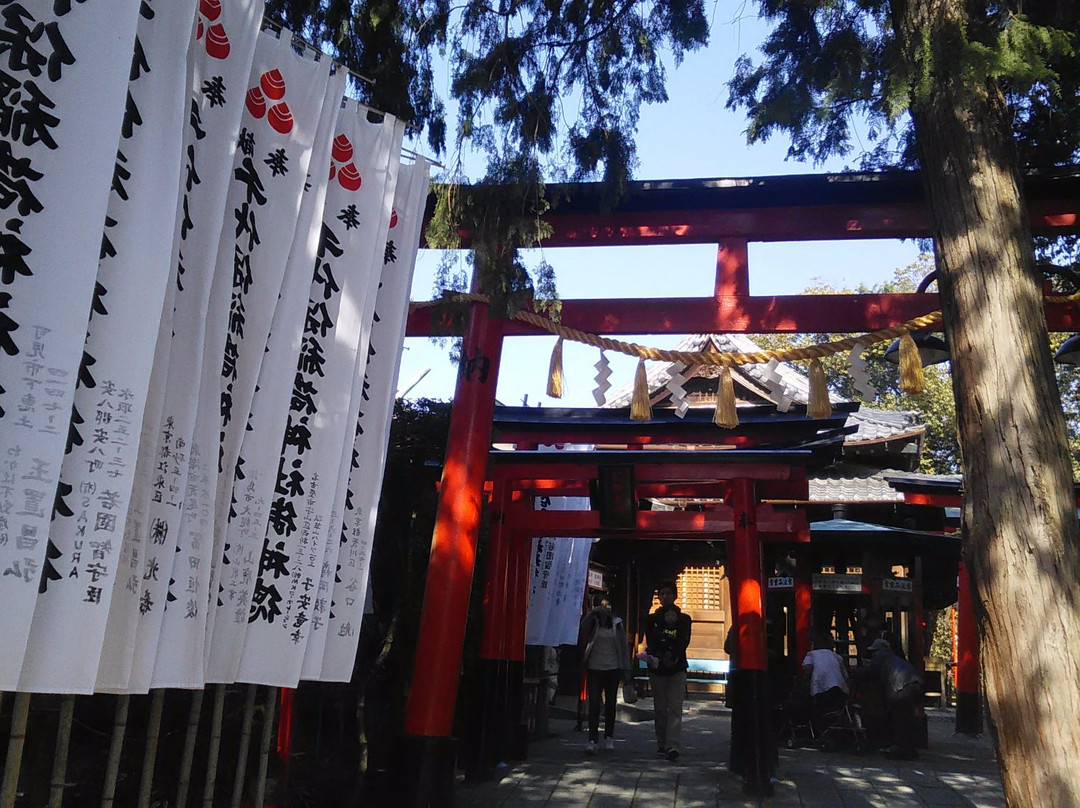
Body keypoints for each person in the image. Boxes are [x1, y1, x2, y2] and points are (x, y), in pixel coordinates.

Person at [642, 581, 692, 760]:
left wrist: (673, 655)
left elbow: (684, 641)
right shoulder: (652, 619)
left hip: (677, 666)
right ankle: (661, 742)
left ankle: (673, 744)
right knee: (660, 708)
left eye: (668, 593)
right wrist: (660, 654)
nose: (665, 597)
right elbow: (651, 641)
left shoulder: (683, 619)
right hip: (658, 667)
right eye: (661, 594)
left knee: (675, 707)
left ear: (675, 595)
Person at [578, 596, 631, 755]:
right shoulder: (592, 622)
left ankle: (609, 736)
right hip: (594, 667)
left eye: (607, 605)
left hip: (613, 668)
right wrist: (592, 612)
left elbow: (622, 648)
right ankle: (592, 739)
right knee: (594, 703)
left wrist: (626, 670)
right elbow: (582, 628)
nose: (604, 608)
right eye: (602, 605)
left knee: (610, 703)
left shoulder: (617, 624)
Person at [854, 637, 923, 759]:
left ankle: (904, 749)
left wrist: (855, 672)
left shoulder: (881, 654)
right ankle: (908, 748)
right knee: (905, 718)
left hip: (901, 686)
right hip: (915, 683)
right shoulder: (894, 657)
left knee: (899, 718)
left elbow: (871, 671)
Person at [801, 633, 849, 734]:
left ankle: (821, 732)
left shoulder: (812, 654)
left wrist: (805, 681)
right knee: (836, 710)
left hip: (821, 687)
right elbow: (845, 675)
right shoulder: (836, 656)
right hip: (840, 688)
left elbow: (807, 670)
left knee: (820, 710)